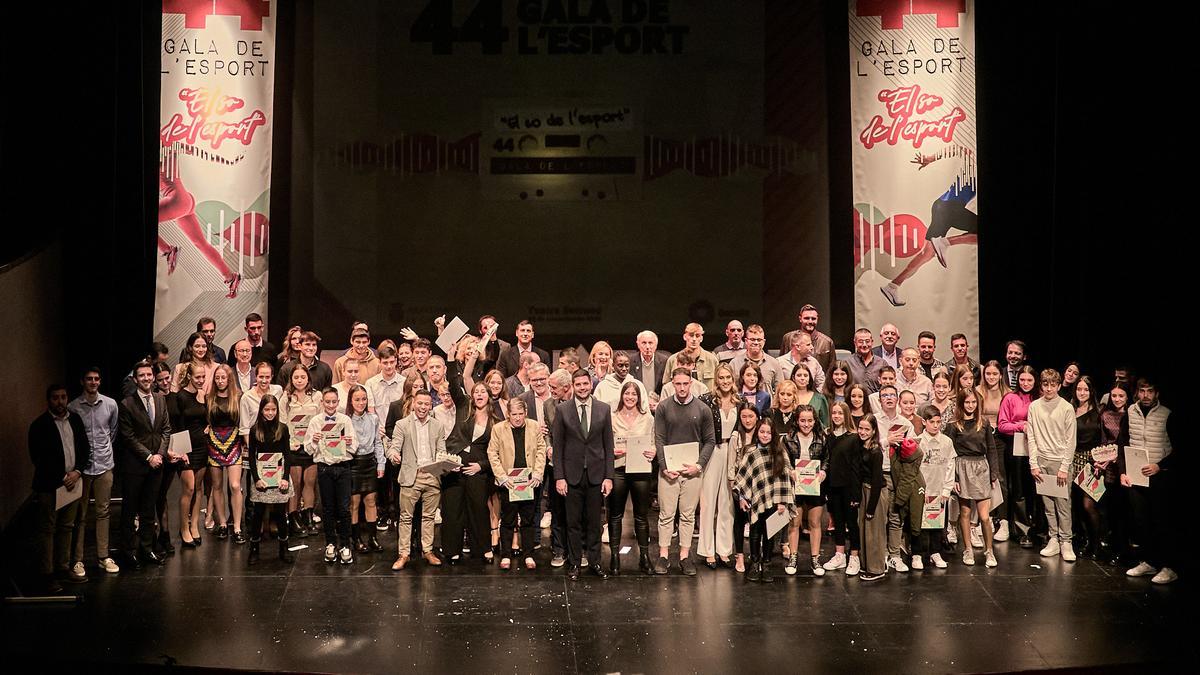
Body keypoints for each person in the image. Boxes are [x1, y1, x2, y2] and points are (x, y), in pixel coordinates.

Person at [652, 367, 717, 577]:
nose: (681, 388)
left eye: (685, 383)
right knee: (666, 515)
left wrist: (698, 465)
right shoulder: (663, 407)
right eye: (677, 384)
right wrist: (664, 466)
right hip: (669, 471)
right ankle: (663, 555)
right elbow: (659, 439)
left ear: (691, 383)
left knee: (688, 515)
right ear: (672, 384)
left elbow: (710, 440)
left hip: (692, 471)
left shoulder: (702, 408)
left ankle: (684, 555)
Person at [552, 370, 615, 580]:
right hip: (571, 476)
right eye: (578, 384)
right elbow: (558, 446)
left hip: (596, 475)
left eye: (585, 384)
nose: (582, 388)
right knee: (573, 523)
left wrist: (609, 477)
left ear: (591, 384)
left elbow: (608, 445)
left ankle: (596, 562)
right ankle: (575, 563)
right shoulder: (562, 410)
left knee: (594, 523)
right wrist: (559, 477)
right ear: (572, 385)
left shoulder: (603, 409)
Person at [29, 383, 92, 592]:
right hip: (50, 485)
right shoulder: (39, 425)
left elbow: (84, 448)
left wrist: (77, 472)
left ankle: (63, 569)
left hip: (73, 482)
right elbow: (38, 457)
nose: (60, 401)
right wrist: (62, 476)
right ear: (49, 400)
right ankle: (46, 575)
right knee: (47, 530)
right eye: (55, 398)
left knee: (67, 527)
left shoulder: (75, 419)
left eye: (63, 397)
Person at [1122, 377, 1177, 585]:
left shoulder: (1167, 414)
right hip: (1136, 475)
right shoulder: (1131, 411)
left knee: (1160, 521)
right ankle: (1148, 562)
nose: (1146, 395)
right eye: (1142, 391)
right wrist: (1123, 471)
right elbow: (1123, 442)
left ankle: (1168, 566)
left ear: (1157, 393)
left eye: (1150, 391)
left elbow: (1178, 448)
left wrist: (1159, 465)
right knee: (1140, 521)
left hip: (1159, 475)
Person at [117, 361, 172, 568]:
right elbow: (128, 437)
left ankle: (146, 548)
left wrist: (159, 454)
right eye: (142, 376)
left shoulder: (159, 399)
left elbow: (166, 429)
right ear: (135, 379)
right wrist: (149, 456)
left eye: (149, 375)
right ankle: (128, 552)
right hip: (135, 466)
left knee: (149, 510)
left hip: (157, 464)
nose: (147, 379)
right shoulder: (127, 404)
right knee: (130, 510)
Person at [68, 367, 120, 576]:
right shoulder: (73, 407)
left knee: (103, 511)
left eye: (96, 379)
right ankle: (77, 560)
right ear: (82, 381)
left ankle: (102, 556)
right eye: (89, 379)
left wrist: (105, 450)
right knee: (80, 514)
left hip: (104, 465)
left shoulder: (110, 404)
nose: (93, 382)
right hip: (82, 469)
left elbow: (113, 432)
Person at [387, 389, 447, 570]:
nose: (422, 407)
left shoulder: (437, 425)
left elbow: (441, 450)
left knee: (428, 517)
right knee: (406, 517)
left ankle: (427, 550)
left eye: (426, 404)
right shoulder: (402, 424)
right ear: (413, 403)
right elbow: (393, 447)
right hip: (411, 476)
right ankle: (403, 554)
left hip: (431, 476)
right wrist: (393, 455)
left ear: (431, 405)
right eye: (419, 403)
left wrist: (445, 460)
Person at [488, 399, 547, 570]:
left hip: (529, 480)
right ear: (508, 414)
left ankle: (528, 554)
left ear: (525, 413)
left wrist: (537, 473)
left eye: (521, 414)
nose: (518, 418)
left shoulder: (534, 426)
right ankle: (505, 554)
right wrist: (501, 476)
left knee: (528, 519)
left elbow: (541, 450)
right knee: (508, 519)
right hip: (509, 481)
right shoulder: (499, 429)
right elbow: (492, 453)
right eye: (514, 414)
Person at [733, 417, 795, 583]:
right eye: (762, 432)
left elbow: (785, 477)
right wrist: (742, 497)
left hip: (774, 500)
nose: (765, 435)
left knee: (770, 532)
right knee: (755, 531)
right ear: (757, 432)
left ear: (773, 434)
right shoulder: (751, 452)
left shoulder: (780, 452)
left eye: (768, 432)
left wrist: (782, 501)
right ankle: (754, 562)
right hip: (756, 499)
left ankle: (766, 563)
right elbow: (743, 476)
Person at [442, 383, 496, 564]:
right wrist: (450, 357)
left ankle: (483, 548)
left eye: (483, 392)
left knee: (478, 509)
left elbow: (498, 451)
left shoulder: (495, 419)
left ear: (489, 395)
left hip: (478, 470)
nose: (479, 395)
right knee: (452, 508)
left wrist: (481, 466)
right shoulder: (464, 407)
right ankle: (452, 550)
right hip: (455, 466)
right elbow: (454, 383)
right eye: (476, 392)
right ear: (472, 396)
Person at [1027, 369, 1078, 562]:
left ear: (1058, 386)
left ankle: (1066, 541)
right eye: (1045, 384)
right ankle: (1054, 538)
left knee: (1063, 505)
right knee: (1048, 505)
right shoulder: (1034, 407)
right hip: (1042, 460)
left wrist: (1065, 467)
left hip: (1060, 462)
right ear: (1041, 385)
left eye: (1053, 385)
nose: (1049, 388)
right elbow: (1031, 436)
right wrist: (1034, 463)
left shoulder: (1066, 407)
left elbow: (1070, 440)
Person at [945, 391, 1001, 567]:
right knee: (966, 512)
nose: (971, 405)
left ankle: (989, 551)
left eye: (973, 402)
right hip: (962, 468)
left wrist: (994, 473)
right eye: (967, 402)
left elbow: (992, 449)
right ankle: (968, 549)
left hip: (980, 468)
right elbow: (949, 453)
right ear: (961, 404)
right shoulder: (954, 425)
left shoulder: (983, 422)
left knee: (984, 516)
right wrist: (953, 477)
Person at [697, 364, 742, 569]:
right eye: (721, 378)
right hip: (712, 451)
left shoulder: (740, 402)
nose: (725, 381)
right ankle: (707, 551)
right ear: (716, 380)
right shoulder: (706, 400)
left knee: (727, 502)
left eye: (728, 378)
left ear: (733, 379)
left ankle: (724, 550)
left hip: (732, 452)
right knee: (708, 501)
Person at [609, 381, 656, 574]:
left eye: (633, 394)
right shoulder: (611, 417)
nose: (630, 397)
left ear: (639, 397)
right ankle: (614, 557)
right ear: (621, 396)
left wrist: (653, 451)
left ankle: (644, 557)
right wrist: (612, 451)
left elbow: (653, 442)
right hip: (618, 470)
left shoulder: (648, 418)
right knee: (615, 515)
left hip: (640, 471)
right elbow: (605, 444)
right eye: (626, 393)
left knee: (641, 516)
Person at [307, 387, 358, 564]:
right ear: (322, 403)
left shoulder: (345, 420)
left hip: (343, 468)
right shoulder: (315, 421)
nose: (330, 405)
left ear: (338, 402)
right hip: (324, 468)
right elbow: (308, 449)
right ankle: (330, 543)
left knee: (344, 508)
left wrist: (350, 443)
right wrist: (314, 440)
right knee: (328, 508)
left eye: (333, 402)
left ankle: (345, 545)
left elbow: (354, 447)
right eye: (327, 402)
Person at [245, 395, 294, 565]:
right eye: (267, 409)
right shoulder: (254, 430)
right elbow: (251, 457)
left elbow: (287, 455)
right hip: (261, 477)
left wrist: (285, 478)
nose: (270, 413)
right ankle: (254, 549)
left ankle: (284, 547)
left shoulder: (283, 428)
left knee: (280, 513)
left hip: (280, 477)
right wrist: (257, 479)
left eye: (273, 409)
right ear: (261, 410)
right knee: (258, 513)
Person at [165, 364, 209, 549]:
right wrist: (181, 451)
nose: (200, 380)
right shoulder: (180, 397)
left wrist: (208, 428)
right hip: (186, 448)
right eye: (197, 377)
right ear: (189, 376)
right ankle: (183, 528)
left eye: (203, 377)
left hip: (202, 446)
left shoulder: (203, 395)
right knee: (188, 489)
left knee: (198, 488)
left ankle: (194, 525)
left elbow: (205, 419)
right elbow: (176, 425)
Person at [784, 405, 828, 577]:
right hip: (796, 485)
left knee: (814, 523)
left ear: (815, 421)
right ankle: (793, 557)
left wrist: (823, 471)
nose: (806, 424)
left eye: (810, 420)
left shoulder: (821, 438)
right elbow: (784, 458)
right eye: (803, 420)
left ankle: (815, 559)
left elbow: (827, 459)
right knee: (794, 523)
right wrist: (789, 470)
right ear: (797, 420)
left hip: (815, 485)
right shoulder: (788, 438)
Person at [874, 384, 914, 572]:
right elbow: (865, 445)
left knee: (896, 515)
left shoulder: (906, 423)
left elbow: (915, 448)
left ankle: (895, 555)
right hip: (880, 472)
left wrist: (908, 445)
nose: (889, 398)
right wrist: (886, 441)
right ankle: (881, 554)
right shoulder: (874, 421)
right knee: (881, 516)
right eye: (885, 395)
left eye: (892, 395)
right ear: (880, 400)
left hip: (898, 473)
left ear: (897, 399)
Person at [998, 365, 1038, 548]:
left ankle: (1040, 529)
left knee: (1037, 490)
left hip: (1040, 449)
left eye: (1029, 380)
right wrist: (1021, 426)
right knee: (1019, 490)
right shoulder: (1010, 398)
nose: (1026, 383)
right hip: (1017, 449)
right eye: (1022, 379)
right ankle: (1022, 531)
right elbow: (1002, 425)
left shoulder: (1040, 399)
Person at [281, 365, 321, 538]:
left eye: (302, 377)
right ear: (291, 379)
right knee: (295, 484)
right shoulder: (286, 398)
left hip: (311, 446)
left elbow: (321, 421)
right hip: (294, 447)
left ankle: (308, 515)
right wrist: (288, 443)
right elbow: (282, 423)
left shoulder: (317, 396)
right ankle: (293, 516)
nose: (299, 380)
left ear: (308, 378)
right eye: (296, 377)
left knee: (309, 482)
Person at [206, 364, 244, 542]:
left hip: (234, 442)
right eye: (217, 378)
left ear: (230, 379)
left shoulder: (238, 396)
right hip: (214, 442)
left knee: (235, 485)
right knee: (217, 486)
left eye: (223, 378)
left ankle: (236, 526)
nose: (220, 381)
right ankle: (222, 523)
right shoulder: (209, 397)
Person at [823, 402, 862, 576]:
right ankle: (840, 554)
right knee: (837, 522)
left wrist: (855, 492)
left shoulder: (853, 437)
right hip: (832, 486)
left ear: (846, 415)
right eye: (834, 413)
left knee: (852, 523)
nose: (837, 416)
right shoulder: (828, 436)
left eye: (840, 413)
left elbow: (856, 467)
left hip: (849, 487)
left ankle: (854, 555)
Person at [346, 385, 385, 554]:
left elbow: (377, 442)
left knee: (370, 501)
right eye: (357, 399)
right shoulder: (345, 419)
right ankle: (355, 539)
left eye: (364, 399)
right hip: (353, 463)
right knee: (354, 503)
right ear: (350, 401)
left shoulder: (373, 418)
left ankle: (372, 538)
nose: (361, 403)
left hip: (369, 462)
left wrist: (381, 463)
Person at [1070, 376, 1104, 558]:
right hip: (1072, 458)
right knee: (1075, 505)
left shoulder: (1099, 412)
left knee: (1089, 504)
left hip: (1092, 462)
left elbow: (1103, 440)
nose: (1082, 393)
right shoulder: (1071, 409)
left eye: (1085, 390)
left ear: (1091, 392)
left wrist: (1099, 462)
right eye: (1079, 389)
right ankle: (1083, 539)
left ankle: (1096, 544)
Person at [855, 414, 887, 581]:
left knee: (874, 532)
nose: (863, 432)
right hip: (864, 490)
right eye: (861, 428)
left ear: (874, 431)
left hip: (875, 493)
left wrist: (871, 507)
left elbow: (876, 480)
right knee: (865, 530)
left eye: (867, 429)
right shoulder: (861, 446)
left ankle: (877, 568)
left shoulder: (875, 452)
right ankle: (867, 564)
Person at [779, 304, 836, 375]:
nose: (810, 321)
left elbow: (832, 371)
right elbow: (780, 367)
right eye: (806, 318)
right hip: (792, 382)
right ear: (800, 319)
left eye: (813, 318)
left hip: (818, 383)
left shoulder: (827, 342)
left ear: (817, 319)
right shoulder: (788, 338)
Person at [729, 324, 784, 394]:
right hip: (741, 404)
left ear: (764, 342)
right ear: (746, 341)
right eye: (752, 339)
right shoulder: (734, 364)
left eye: (759, 340)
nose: (756, 342)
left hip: (767, 405)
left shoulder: (774, 363)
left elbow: (780, 391)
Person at [663, 323, 719, 390]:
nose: (694, 339)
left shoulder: (712, 360)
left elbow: (718, 385)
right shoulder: (673, 360)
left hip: (706, 399)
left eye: (697, 336)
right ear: (685, 337)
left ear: (701, 338)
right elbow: (666, 386)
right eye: (691, 335)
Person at [240, 361, 283, 443]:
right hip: (256, 440)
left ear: (272, 377)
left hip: (276, 439)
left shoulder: (278, 391)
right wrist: (251, 448)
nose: (264, 380)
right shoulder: (247, 397)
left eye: (267, 377)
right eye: (261, 377)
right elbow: (244, 428)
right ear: (256, 377)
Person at [630, 330, 668, 411]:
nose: (647, 347)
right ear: (638, 344)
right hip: (636, 407)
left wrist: (660, 403)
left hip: (658, 406)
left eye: (650, 343)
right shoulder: (630, 361)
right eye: (644, 343)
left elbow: (667, 385)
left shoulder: (665, 361)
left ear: (656, 345)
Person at [789, 362, 830, 429]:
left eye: (805, 375)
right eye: (799, 375)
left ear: (809, 378)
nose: (802, 378)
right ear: (793, 378)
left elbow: (826, 424)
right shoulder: (788, 397)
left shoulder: (819, 398)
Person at [847, 328, 885, 393]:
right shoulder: (848, 363)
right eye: (860, 341)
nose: (864, 345)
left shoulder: (882, 363)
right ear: (855, 343)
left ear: (872, 342)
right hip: (854, 401)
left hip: (875, 402)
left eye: (867, 341)